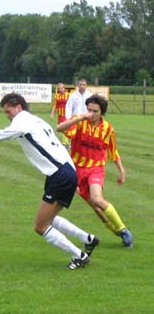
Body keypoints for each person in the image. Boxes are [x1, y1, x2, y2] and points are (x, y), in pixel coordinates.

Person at [0, 93, 99, 269]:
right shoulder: (36, 120)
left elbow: (15, 131)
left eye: (8, 111)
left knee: (40, 226)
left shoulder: (23, 120)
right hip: (63, 171)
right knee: (50, 218)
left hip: (60, 174)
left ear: (18, 107)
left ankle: (79, 255)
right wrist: (72, 175)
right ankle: (87, 239)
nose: (8, 116)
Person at [57, 94, 133, 248]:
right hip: (77, 171)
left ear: (102, 112)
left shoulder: (108, 129)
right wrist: (79, 118)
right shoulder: (80, 121)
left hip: (96, 169)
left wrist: (122, 171)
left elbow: (113, 152)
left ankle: (123, 230)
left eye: (95, 111)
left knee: (98, 199)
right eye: (89, 110)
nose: (90, 114)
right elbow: (59, 128)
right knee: (95, 207)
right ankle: (116, 230)